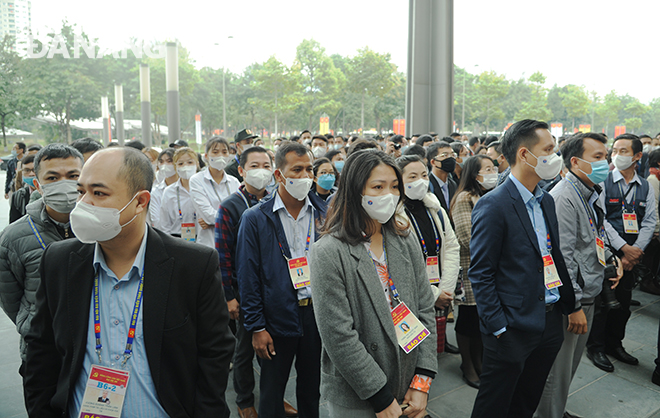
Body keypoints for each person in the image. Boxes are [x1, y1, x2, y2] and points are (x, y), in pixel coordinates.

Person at [23, 147, 235, 417]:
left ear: (140, 201)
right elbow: (41, 350)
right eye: (81, 191)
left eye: (99, 193)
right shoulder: (60, 261)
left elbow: (214, 353)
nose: (83, 203)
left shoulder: (193, 265)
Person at [309, 150, 437, 418]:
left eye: (393, 187)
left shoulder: (403, 237)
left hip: (408, 377)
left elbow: (424, 307)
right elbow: (338, 334)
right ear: (356, 191)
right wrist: (379, 396)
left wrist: (423, 378)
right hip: (357, 392)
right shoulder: (329, 251)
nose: (388, 195)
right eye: (377, 187)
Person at [468, 119, 575, 418]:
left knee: (526, 400)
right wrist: (499, 327)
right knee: (494, 404)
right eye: (549, 150)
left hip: (548, 322)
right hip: (512, 328)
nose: (556, 157)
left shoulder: (545, 200)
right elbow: (481, 273)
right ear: (525, 154)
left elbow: (553, 256)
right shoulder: (494, 205)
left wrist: (568, 304)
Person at [534, 133, 623, 418]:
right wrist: (572, 307)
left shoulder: (589, 191)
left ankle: (557, 410)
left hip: (589, 293)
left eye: (605, 156)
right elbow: (563, 259)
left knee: (569, 365)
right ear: (575, 161)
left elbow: (595, 234)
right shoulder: (564, 197)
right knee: (556, 370)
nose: (605, 163)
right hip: (572, 301)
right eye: (597, 158)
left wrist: (611, 257)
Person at [237, 141, 327, 418]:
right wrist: (256, 327)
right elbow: (248, 277)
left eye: (309, 169)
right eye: (297, 170)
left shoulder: (325, 213)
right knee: (272, 390)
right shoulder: (255, 218)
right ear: (279, 175)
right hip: (276, 316)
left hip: (316, 313)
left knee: (312, 387)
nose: (305, 176)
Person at [215, 147, 298, 418]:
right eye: (254, 165)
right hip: (244, 291)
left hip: (276, 291)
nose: (260, 170)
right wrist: (229, 295)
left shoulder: (278, 200)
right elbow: (223, 256)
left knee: (275, 352)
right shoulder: (231, 206)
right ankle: (244, 399)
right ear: (241, 170)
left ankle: (274, 398)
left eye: (265, 164)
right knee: (244, 347)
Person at [0, 144, 83, 367]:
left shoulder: (104, 229)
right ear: (37, 184)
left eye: (73, 175)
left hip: (93, 348)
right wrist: (32, 323)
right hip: (42, 351)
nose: (64, 183)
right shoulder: (12, 238)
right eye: (53, 177)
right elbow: (11, 299)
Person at [587, 134, 657, 371]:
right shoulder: (603, 181)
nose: (616, 155)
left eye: (623, 151)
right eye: (614, 150)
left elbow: (649, 221)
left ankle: (614, 344)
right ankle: (595, 347)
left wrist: (636, 250)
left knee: (624, 303)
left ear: (638, 156)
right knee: (603, 302)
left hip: (632, 256)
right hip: (607, 253)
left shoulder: (645, 186)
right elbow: (601, 219)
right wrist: (623, 249)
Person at [397, 154, 461, 354]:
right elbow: (400, 264)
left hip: (439, 285)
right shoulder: (393, 213)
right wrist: (433, 295)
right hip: (410, 295)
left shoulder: (434, 207)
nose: (421, 181)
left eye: (424, 175)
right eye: (412, 176)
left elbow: (451, 246)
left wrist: (445, 289)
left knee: (431, 348)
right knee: (412, 350)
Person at [449, 154, 498, 389]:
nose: (492, 172)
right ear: (474, 174)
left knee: (481, 319)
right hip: (472, 268)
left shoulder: (487, 195)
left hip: (489, 268)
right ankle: (467, 364)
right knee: (468, 320)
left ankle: (478, 361)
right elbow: (468, 238)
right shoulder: (464, 199)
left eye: (493, 167)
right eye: (486, 169)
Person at [190, 137, 240, 248]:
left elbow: (241, 214)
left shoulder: (234, 182)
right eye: (215, 152)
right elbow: (207, 214)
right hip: (208, 244)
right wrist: (230, 220)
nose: (220, 156)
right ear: (206, 156)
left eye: (224, 152)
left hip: (232, 243)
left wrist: (212, 223)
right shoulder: (197, 180)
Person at [158, 147, 200, 239]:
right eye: (180, 164)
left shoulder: (203, 188)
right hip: (176, 239)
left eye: (190, 162)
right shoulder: (169, 192)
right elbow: (165, 224)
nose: (185, 167)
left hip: (202, 239)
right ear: (175, 167)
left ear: (197, 164)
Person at [149, 148, 178, 228]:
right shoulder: (156, 191)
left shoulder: (186, 187)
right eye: (161, 162)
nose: (164, 165)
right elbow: (156, 220)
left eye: (169, 161)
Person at [426, 142, 458, 214]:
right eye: (445, 155)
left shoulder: (453, 184)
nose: (450, 158)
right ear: (433, 162)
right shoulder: (427, 184)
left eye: (452, 155)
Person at [9, 155, 36, 223]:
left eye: (34, 170)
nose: (31, 174)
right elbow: (13, 224)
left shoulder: (50, 192)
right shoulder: (18, 196)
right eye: (27, 170)